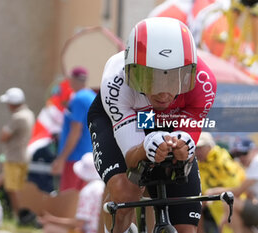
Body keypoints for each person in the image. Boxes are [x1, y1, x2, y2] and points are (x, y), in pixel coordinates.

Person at [88, 17, 217, 233]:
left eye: (174, 79)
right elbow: (131, 156)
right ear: (133, 72)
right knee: (125, 193)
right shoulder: (116, 82)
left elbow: (186, 149)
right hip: (122, 116)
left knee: (186, 227)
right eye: (150, 79)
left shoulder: (204, 84)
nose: (163, 93)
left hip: (168, 120)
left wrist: (183, 146)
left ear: (189, 73)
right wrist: (146, 145)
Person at [51, 67, 96, 191]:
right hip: (88, 156)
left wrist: (61, 158)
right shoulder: (91, 95)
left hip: (75, 158)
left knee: (68, 198)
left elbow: (75, 132)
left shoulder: (78, 98)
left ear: (73, 79)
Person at [39, 152, 105, 233]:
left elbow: (79, 224)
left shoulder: (87, 191)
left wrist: (51, 219)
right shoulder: (103, 187)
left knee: (50, 228)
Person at [195, 132, 245, 233]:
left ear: (210, 146)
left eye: (200, 148)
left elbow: (235, 187)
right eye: (195, 148)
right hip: (217, 214)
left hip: (233, 210)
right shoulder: (200, 164)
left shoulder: (222, 160)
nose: (197, 152)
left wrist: (212, 192)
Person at [0, 87, 35, 218]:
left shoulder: (17, 117)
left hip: (14, 157)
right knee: (18, 187)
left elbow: (3, 136)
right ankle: (21, 215)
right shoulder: (28, 113)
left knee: (13, 188)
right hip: (23, 156)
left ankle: (19, 215)